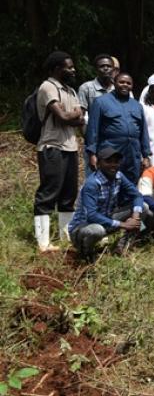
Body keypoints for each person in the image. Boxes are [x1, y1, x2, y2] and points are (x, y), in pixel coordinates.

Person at [33, 51, 85, 252]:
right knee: (48, 193)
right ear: (56, 68)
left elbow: (79, 118)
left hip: (71, 147)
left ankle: (66, 237)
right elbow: (63, 116)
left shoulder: (70, 91)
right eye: (69, 67)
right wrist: (72, 115)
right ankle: (43, 242)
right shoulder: (48, 87)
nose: (73, 70)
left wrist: (72, 116)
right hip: (52, 146)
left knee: (68, 195)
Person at [68, 147, 143, 262]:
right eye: (108, 161)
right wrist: (123, 224)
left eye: (116, 161)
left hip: (107, 220)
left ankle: (121, 247)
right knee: (97, 230)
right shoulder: (92, 184)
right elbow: (92, 215)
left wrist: (135, 217)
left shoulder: (119, 176)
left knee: (144, 208)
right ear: (98, 164)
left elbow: (137, 195)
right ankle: (85, 254)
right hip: (83, 228)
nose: (113, 165)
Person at [86, 72, 151, 185]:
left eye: (128, 83)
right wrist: (92, 154)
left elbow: (143, 132)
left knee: (130, 184)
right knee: (108, 183)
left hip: (132, 153)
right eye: (121, 82)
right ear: (114, 83)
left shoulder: (137, 106)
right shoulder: (101, 102)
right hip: (111, 151)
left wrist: (146, 156)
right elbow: (93, 130)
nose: (125, 85)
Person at [78, 53, 114, 129]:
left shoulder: (119, 88)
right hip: (95, 131)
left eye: (109, 66)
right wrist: (86, 135)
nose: (106, 68)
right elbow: (81, 115)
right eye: (102, 66)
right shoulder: (86, 88)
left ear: (113, 69)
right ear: (96, 69)